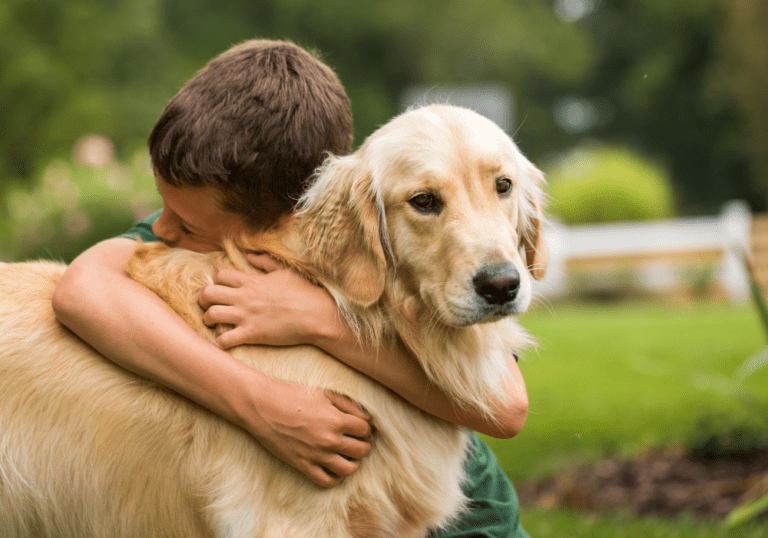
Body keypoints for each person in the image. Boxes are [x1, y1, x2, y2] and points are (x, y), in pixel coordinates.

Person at [52, 38, 530, 537]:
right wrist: (259, 402)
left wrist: (319, 321)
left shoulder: (357, 227)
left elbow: (507, 406)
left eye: (187, 224)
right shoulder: (220, 206)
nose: (163, 230)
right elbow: (80, 289)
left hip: (473, 520)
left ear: (283, 222)